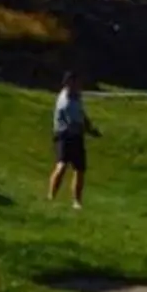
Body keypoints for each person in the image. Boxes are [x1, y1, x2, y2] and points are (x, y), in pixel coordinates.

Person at [47, 72, 99, 209]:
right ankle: (51, 196)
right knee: (62, 165)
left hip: (76, 136)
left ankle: (77, 201)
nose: (79, 85)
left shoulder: (77, 97)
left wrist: (90, 127)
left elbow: (81, 114)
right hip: (63, 135)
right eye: (76, 83)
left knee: (79, 169)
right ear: (69, 83)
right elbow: (74, 123)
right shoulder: (65, 101)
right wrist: (88, 130)